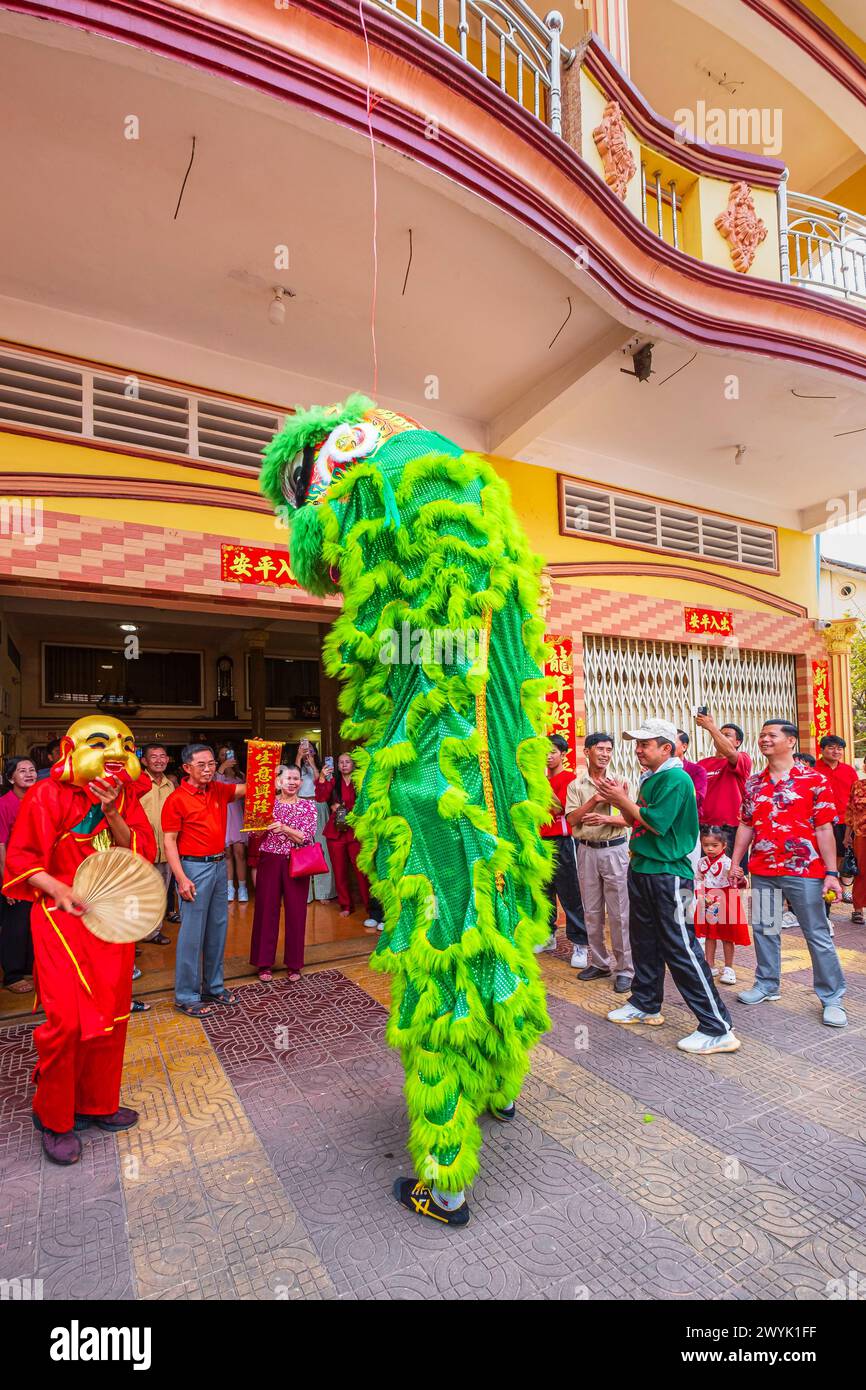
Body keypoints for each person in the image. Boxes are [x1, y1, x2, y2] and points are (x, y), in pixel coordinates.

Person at [2, 716, 156, 1164]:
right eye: (100, 743)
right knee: (67, 1023)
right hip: (60, 921)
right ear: (69, 750)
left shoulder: (126, 795)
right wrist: (59, 889)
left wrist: (112, 813)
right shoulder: (46, 794)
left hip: (111, 922)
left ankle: (97, 1103)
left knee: (113, 1015)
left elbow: (138, 851)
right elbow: (23, 860)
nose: (114, 752)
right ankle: (53, 1116)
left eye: (124, 745)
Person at [601, 719, 740, 1055]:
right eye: (636, 743)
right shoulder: (653, 778)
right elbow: (641, 820)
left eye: (644, 744)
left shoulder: (676, 778)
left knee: (681, 948)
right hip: (645, 868)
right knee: (644, 943)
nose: (637, 750)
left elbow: (656, 823)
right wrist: (626, 802)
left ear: (667, 748)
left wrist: (621, 800)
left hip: (669, 874)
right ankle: (646, 1003)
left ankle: (717, 1027)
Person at [731, 719, 846, 1026]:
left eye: (772, 735)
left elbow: (824, 829)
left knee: (817, 934)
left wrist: (832, 873)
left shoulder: (815, 780)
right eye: (762, 735)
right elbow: (746, 824)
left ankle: (832, 997)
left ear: (791, 741)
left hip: (805, 870)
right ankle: (767, 984)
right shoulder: (754, 783)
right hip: (763, 869)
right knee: (765, 928)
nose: (764, 740)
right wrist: (734, 863)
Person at [162, 743, 246, 1018]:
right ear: (187, 768)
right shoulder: (176, 799)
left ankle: (213, 986)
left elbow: (250, 789)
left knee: (217, 930)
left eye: (211, 764)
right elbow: (169, 842)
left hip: (219, 865)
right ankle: (185, 995)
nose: (209, 769)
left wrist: (265, 762)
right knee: (191, 936)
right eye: (202, 765)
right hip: (193, 869)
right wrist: (181, 878)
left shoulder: (218, 790)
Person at [565, 732, 632, 992]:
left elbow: (631, 819)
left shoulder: (621, 782)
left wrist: (607, 815)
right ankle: (600, 962)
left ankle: (625, 968)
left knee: (620, 913)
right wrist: (595, 800)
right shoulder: (577, 786)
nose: (605, 754)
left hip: (615, 850)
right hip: (586, 851)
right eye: (600, 749)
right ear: (588, 752)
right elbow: (572, 820)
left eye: (609, 749)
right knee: (591, 912)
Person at [249, 764, 318, 982]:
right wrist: (260, 825)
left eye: (296, 778)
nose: (292, 782)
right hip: (269, 860)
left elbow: (305, 837)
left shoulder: (308, 806)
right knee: (266, 910)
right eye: (288, 778)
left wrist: (284, 828)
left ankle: (295, 964)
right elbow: (253, 833)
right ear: (278, 781)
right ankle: (264, 963)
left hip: (297, 862)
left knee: (297, 912)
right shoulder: (266, 804)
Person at [539, 734, 588, 966]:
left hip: (564, 841)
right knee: (544, 892)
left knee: (570, 893)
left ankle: (580, 944)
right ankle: (548, 935)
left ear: (563, 755)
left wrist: (537, 788)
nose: (548, 756)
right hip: (542, 841)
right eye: (545, 752)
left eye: (553, 752)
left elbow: (558, 807)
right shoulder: (540, 781)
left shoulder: (570, 780)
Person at [315, 753, 370, 918]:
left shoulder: (360, 781)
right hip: (336, 832)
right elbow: (320, 797)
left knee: (361, 871)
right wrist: (323, 778)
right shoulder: (333, 781)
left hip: (356, 831)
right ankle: (346, 905)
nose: (344, 765)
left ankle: (370, 906)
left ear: (353, 764)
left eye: (347, 762)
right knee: (339, 872)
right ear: (337, 766)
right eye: (341, 762)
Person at [694, 826, 750, 985]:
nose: (710, 849)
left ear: (724, 845)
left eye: (714, 845)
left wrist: (740, 878)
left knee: (727, 936)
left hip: (726, 900)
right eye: (706, 845)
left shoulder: (728, 864)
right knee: (709, 934)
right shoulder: (701, 863)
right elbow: (698, 879)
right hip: (708, 901)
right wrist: (700, 894)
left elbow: (742, 882)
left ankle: (729, 968)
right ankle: (709, 965)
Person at [0, 757, 37, 993]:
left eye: (32, 769)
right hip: (14, 874)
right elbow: (0, 845)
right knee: (15, 925)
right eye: (22, 771)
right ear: (11, 777)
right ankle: (12, 976)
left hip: (36, 872)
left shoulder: (39, 801)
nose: (29, 774)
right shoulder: (5, 804)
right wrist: (6, 881)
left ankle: (27, 969)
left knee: (32, 923)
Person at [135, 743, 177, 937]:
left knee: (160, 893)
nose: (159, 760)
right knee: (138, 894)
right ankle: (133, 935)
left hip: (166, 850)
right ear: (144, 761)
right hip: (142, 849)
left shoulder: (171, 786)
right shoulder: (137, 783)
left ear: (168, 760)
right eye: (154, 757)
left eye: (163, 756)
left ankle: (153, 932)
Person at [695, 715, 752, 860]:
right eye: (720, 734)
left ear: (738, 742)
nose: (719, 736)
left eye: (726, 735)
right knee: (708, 873)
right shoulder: (702, 763)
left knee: (733, 875)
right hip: (705, 828)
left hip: (731, 828)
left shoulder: (742, 759)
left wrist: (710, 727)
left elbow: (730, 753)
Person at [817, 735, 858, 899]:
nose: (836, 751)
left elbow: (856, 796)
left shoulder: (849, 770)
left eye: (839, 748)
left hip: (844, 821)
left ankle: (843, 888)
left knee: (844, 854)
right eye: (831, 747)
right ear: (822, 749)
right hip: (821, 821)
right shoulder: (813, 769)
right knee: (822, 854)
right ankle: (824, 887)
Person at [217, 747, 249, 904]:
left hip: (236, 815)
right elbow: (214, 790)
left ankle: (242, 887)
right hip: (223, 815)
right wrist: (221, 769)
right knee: (227, 853)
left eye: (229, 754)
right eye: (222, 754)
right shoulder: (217, 775)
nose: (226, 757)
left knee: (240, 852)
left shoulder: (240, 776)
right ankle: (230, 887)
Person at [844, 772, 866, 926]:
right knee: (862, 872)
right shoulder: (858, 785)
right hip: (861, 835)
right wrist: (847, 836)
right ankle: (858, 909)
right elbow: (851, 811)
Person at [675, 730, 707, 820]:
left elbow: (697, 799)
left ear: (684, 747)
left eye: (672, 742)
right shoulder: (657, 770)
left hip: (687, 822)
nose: (667, 746)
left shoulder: (697, 770)